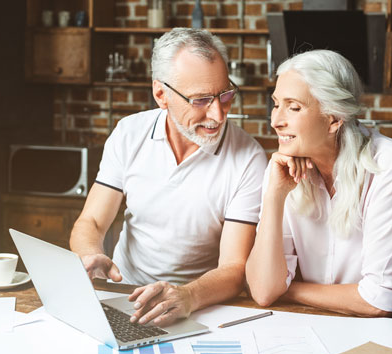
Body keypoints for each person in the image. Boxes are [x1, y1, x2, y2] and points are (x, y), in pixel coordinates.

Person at [70, 28, 267, 326]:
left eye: (225, 95)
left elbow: (235, 268)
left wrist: (187, 296)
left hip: (197, 305)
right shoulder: (129, 133)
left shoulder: (248, 158)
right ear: (161, 94)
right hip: (124, 294)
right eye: (200, 100)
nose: (217, 114)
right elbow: (91, 222)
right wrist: (89, 254)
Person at [245, 50, 392, 317]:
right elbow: (264, 292)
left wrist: (289, 289)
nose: (276, 121)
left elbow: (377, 301)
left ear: (334, 118)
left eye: (294, 107)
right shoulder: (283, 169)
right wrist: (274, 197)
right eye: (276, 104)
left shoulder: (391, 165)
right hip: (339, 321)